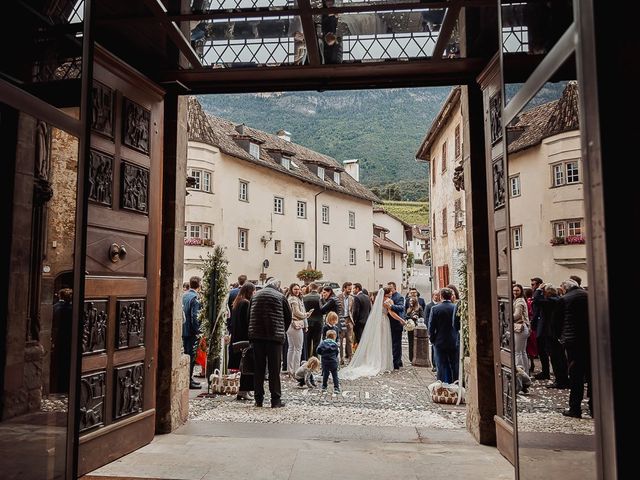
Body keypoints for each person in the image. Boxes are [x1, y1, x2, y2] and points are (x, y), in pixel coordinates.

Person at [248, 277, 291, 408]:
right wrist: (282, 330)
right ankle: (275, 399)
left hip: (257, 336)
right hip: (274, 337)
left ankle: (258, 399)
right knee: (274, 369)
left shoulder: (255, 296)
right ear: (277, 286)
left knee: (259, 369)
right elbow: (288, 316)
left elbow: (249, 315)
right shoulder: (280, 296)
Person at [340, 287, 399, 380]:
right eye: (390, 292)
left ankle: (372, 360)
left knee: (376, 341)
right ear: (387, 293)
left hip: (377, 322)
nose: (392, 293)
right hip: (384, 321)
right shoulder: (388, 301)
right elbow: (391, 313)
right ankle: (382, 362)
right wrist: (401, 320)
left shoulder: (378, 300)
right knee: (383, 341)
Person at [558, 279, 592, 418]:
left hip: (573, 343)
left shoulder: (565, 299)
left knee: (575, 376)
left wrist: (560, 338)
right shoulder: (589, 296)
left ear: (565, 289)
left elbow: (557, 321)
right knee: (591, 375)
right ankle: (594, 407)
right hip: (590, 340)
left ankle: (575, 408)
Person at [229, 282, 256, 401]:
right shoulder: (245, 303)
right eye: (254, 291)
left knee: (242, 365)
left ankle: (243, 391)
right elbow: (247, 322)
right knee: (246, 365)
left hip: (236, 338)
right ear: (250, 291)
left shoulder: (237, 302)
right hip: (244, 339)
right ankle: (244, 390)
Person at [428, 288, 460, 384]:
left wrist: (433, 339)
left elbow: (431, 326)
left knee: (441, 365)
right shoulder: (455, 307)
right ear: (451, 296)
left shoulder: (435, 308)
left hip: (440, 340)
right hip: (454, 340)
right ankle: (455, 384)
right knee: (454, 364)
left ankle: (441, 385)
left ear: (441, 296)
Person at [286, 283, 312, 376]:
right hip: (295, 325)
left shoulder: (291, 298)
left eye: (298, 289)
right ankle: (296, 370)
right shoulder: (293, 299)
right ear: (291, 290)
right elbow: (297, 312)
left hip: (290, 325)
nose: (297, 291)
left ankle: (290, 370)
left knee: (292, 348)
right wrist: (306, 315)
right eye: (295, 289)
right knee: (298, 349)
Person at [182, 276, 202, 389]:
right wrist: (197, 330)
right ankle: (188, 380)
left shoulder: (184, 295)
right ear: (199, 285)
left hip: (184, 329)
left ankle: (188, 379)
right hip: (190, 331)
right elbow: (195, 316)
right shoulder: (195, 297)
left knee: (187, 353)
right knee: (191, 356)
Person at [386, 281, 405, 370]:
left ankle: (396, 362)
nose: (390, 290)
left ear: (395, 288)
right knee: (390, 343)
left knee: (396, 344)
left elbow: (401, 308)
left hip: (396, 323)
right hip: (388, 323)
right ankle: (395, 360)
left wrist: (391, 307)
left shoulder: (399, 297)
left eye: (391, 288)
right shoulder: (387, 297)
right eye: (388, 288)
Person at [303, 283, 324, 363]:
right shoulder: (320, 297)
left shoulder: (305, 297)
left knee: (307, 341)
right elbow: (323, 309)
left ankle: (307, 359)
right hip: (318, 321)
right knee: (317, 341)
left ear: (310, 288)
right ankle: (315, 359)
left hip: (308, 321)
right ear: (317, 288)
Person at [512, 283, 530, 373]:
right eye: (514, 290)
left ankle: (520, 373)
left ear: (521, 291)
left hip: (520, 328)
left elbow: (517, 315)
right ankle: (525, 372)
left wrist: (507, 317)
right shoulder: (521, 300)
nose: (515, 292)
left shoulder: (519, 301)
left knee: (517, 352)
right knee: (522, 352)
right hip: (524, 328)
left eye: (517, 290)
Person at [336, 282, 354, 363]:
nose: (350, 290)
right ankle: (341, 358)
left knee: (349, 340)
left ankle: (350, 358)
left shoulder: (352, 298)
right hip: (341, 320)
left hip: (349, 320)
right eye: (349, 289)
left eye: (351, 289)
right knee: (340, 340)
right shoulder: (338, 297)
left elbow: (352, 310)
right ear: (344, 288)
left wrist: (351, 320)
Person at [350, 282, 371, 347]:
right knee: (364, 339)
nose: (352, 290)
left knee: (359, 340)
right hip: (366, 321)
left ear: (357, 289)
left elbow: (356, 311)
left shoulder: (357, 297)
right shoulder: (367, 297)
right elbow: (370, 309)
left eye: (354, 288)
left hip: (359, 322)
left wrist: (354, 321)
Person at [405, 296, 423, 364]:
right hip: (410, 328)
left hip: (416, 327)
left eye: (412, 301)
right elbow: (406, 316)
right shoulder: (408, 309)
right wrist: (411, 317)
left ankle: (417, 357)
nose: (410, 302)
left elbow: (422, 317)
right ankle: (411, 358)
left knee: (416, 343)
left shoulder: (419, 308)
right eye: (410, 301)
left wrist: (417, 318)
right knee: (411, 343)